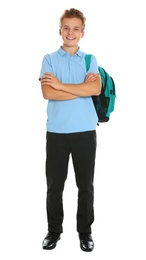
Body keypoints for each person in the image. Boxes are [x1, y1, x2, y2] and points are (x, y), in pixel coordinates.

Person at [39, 8, 101, 252]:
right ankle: (54, 231)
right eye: (67, 27)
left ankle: (85, 233)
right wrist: (78, 88)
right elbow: (47, 93)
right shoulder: (49, 59)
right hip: (56, 132)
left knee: (85, 186)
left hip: (85, 131)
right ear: (60, 31)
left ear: (82, 33)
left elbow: (94, 90)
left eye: (76, 28)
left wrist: (61, 85)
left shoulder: (90, 59)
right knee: (55, 187)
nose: (71, 32)